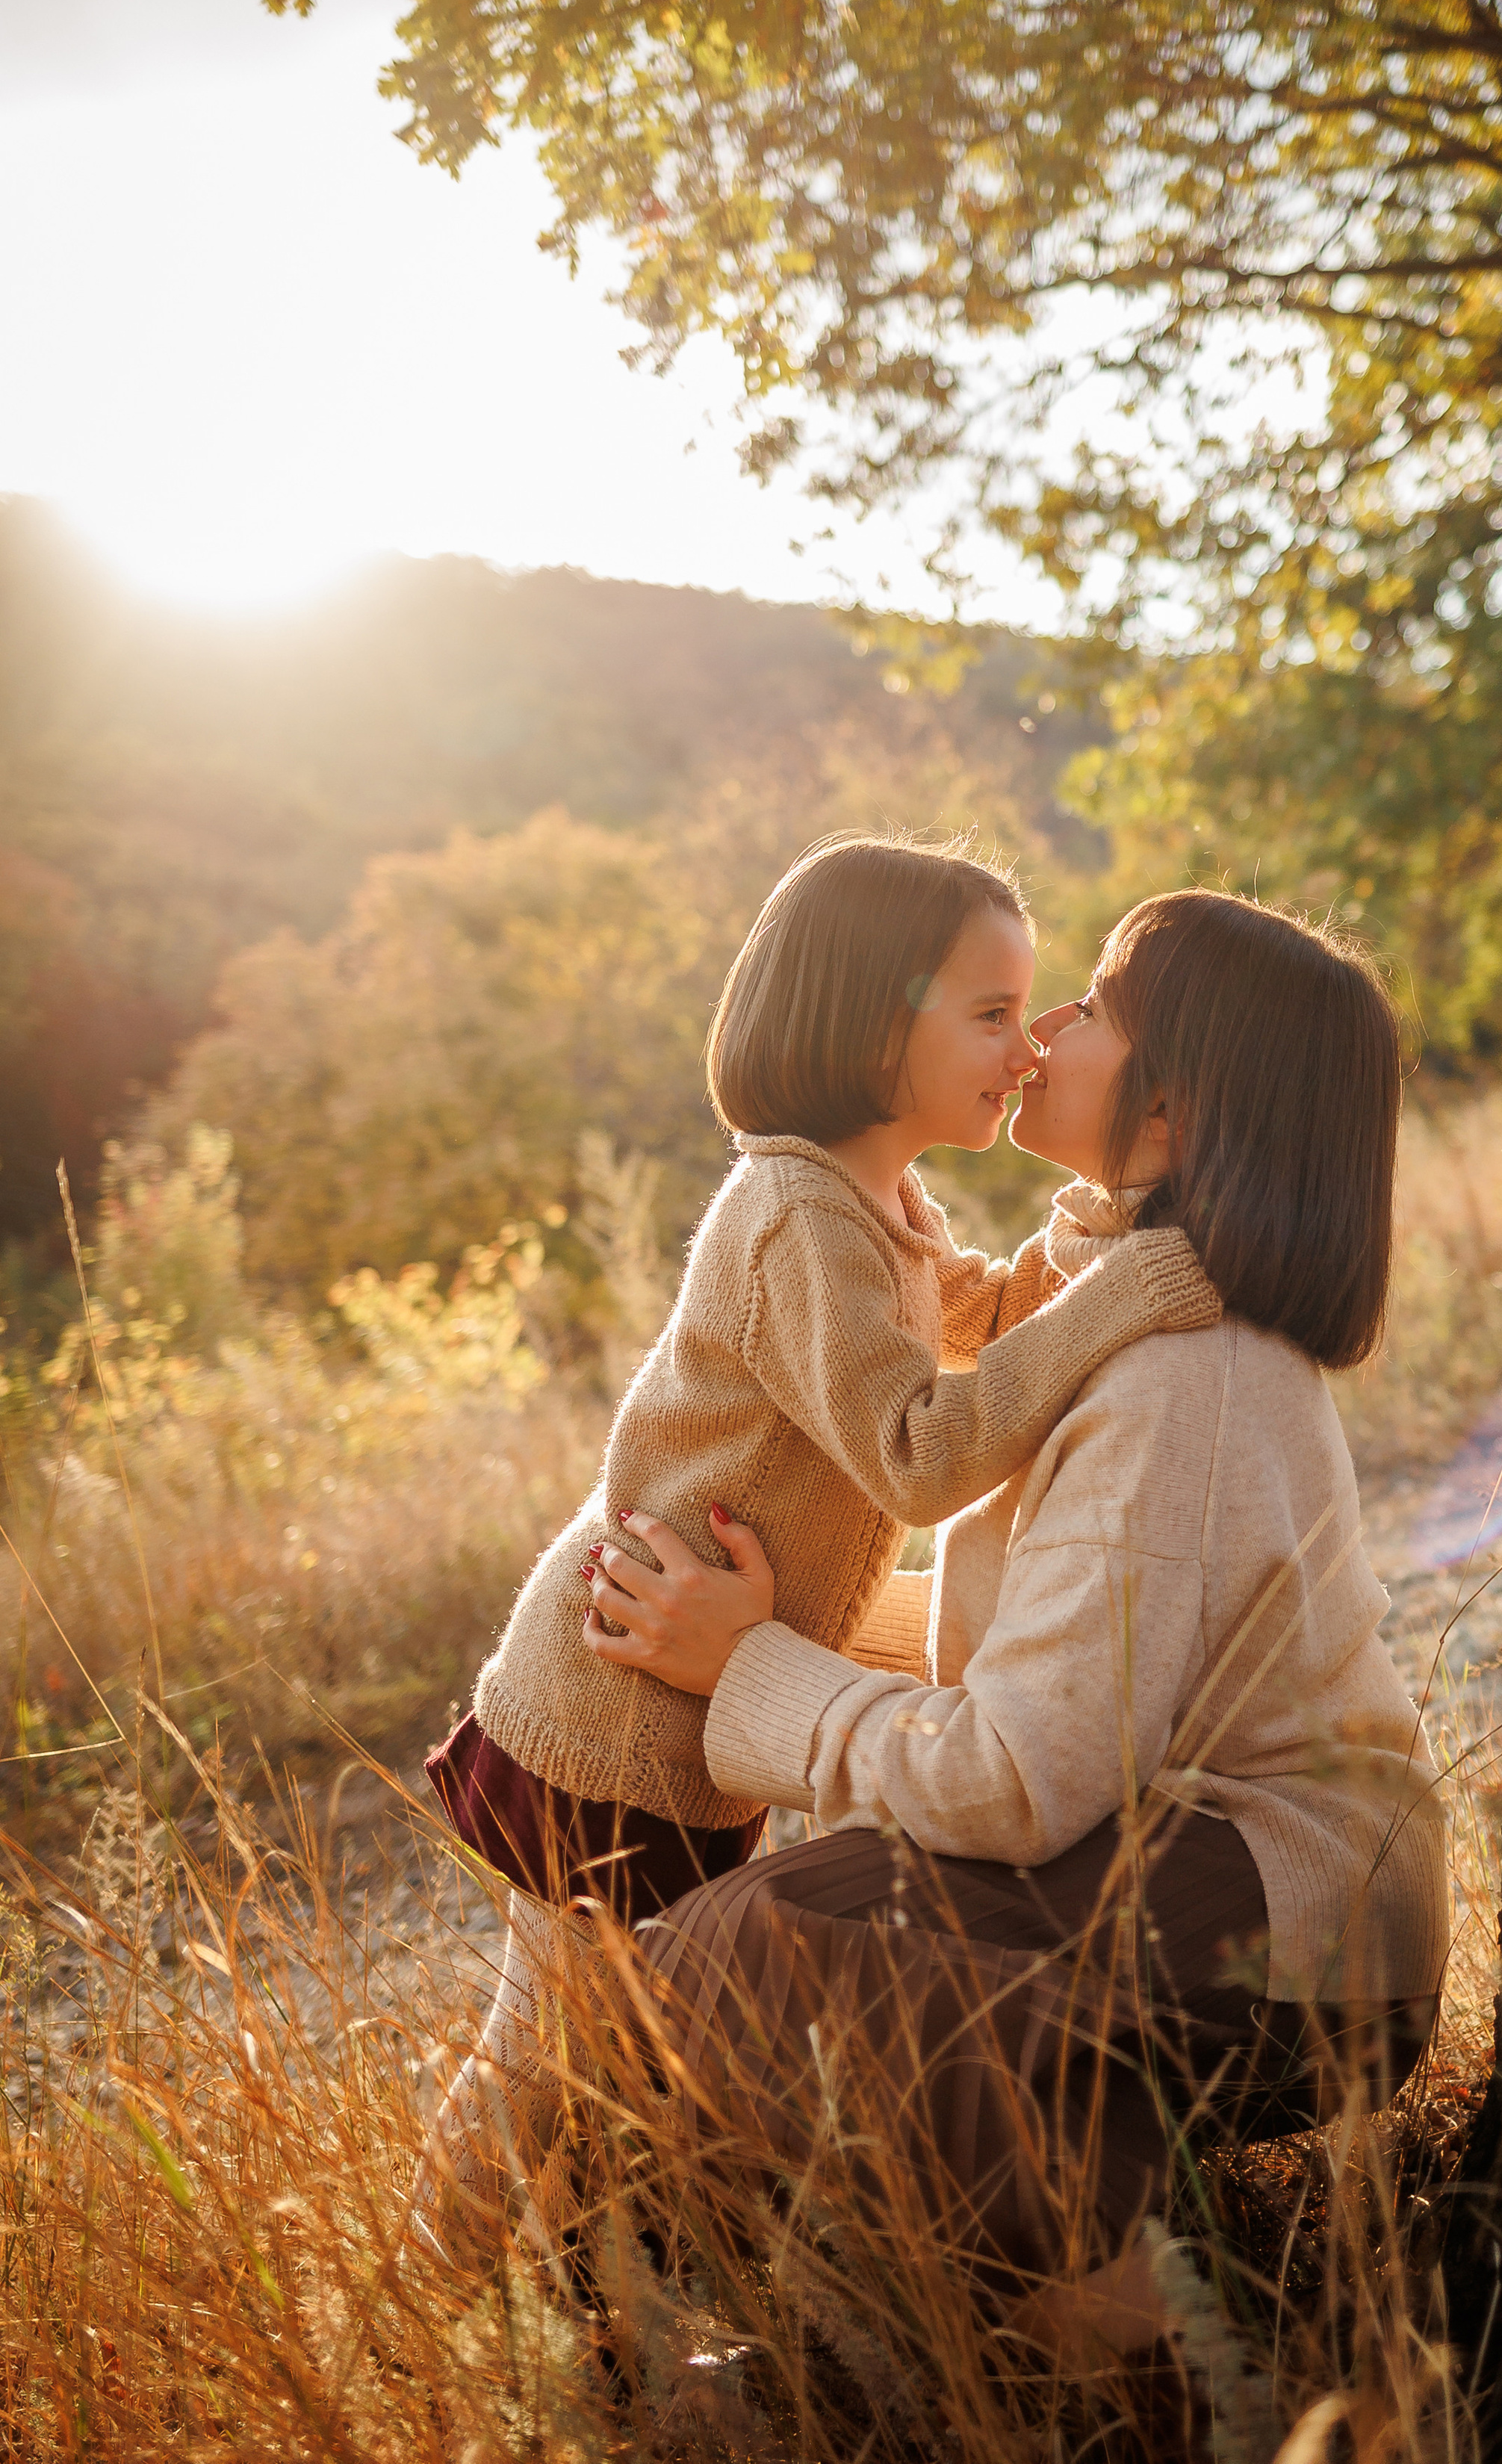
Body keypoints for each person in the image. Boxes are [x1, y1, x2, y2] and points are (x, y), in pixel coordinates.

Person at [581, 890, 1450, 2350]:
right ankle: (907, 2324)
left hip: (1291, 1918)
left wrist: (749, 1672)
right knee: (827, 1946)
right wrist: (760, 1621)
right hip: (1201, 1867)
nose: (1044, 1031)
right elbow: (1057, 1650)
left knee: (782, 1938)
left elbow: (1018, 1779)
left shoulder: (1182, 1371)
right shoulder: (1133, 1311)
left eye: (1091, 1008)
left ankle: (1117, 2361)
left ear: (1169, 1108)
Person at [414, 837, 1221, 2263]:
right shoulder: (794, 1213)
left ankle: (573, 2295)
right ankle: (429, 2290)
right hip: (613, 1711)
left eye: (1033, 1011)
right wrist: (1111, 1313)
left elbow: (967, 1312)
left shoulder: (885, 1205)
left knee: (625, 2047)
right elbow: (916, 1450)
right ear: (867, 1028)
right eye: (990, 1014)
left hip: (684, 1698)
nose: (1028, 1048)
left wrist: (1092, 1235)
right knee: (550, 2052)